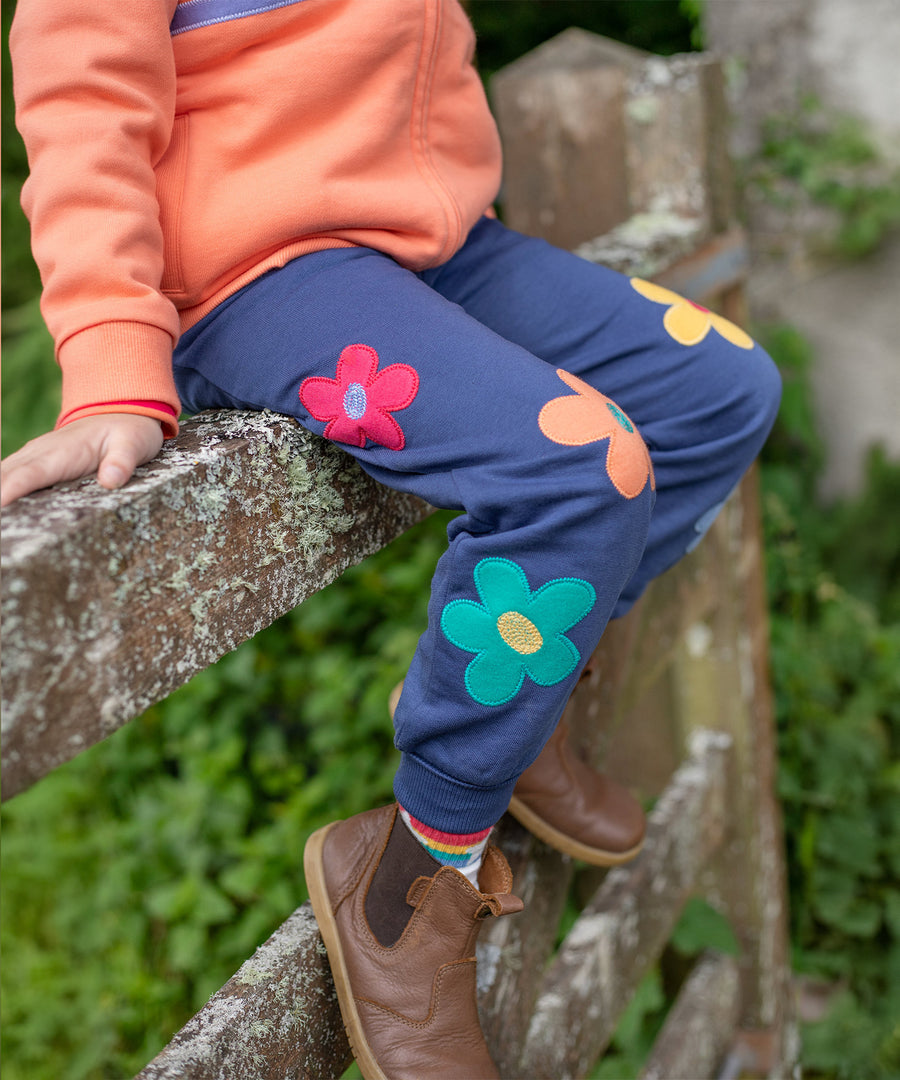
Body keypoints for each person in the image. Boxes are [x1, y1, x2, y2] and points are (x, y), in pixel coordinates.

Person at [3, 1, 781, 1076]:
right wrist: (107, 357)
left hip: (437, 245)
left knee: (718, 389)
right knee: (582, 465)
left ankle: (525, 703)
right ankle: (412, 877)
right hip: (258, 270)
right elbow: (80, 92)